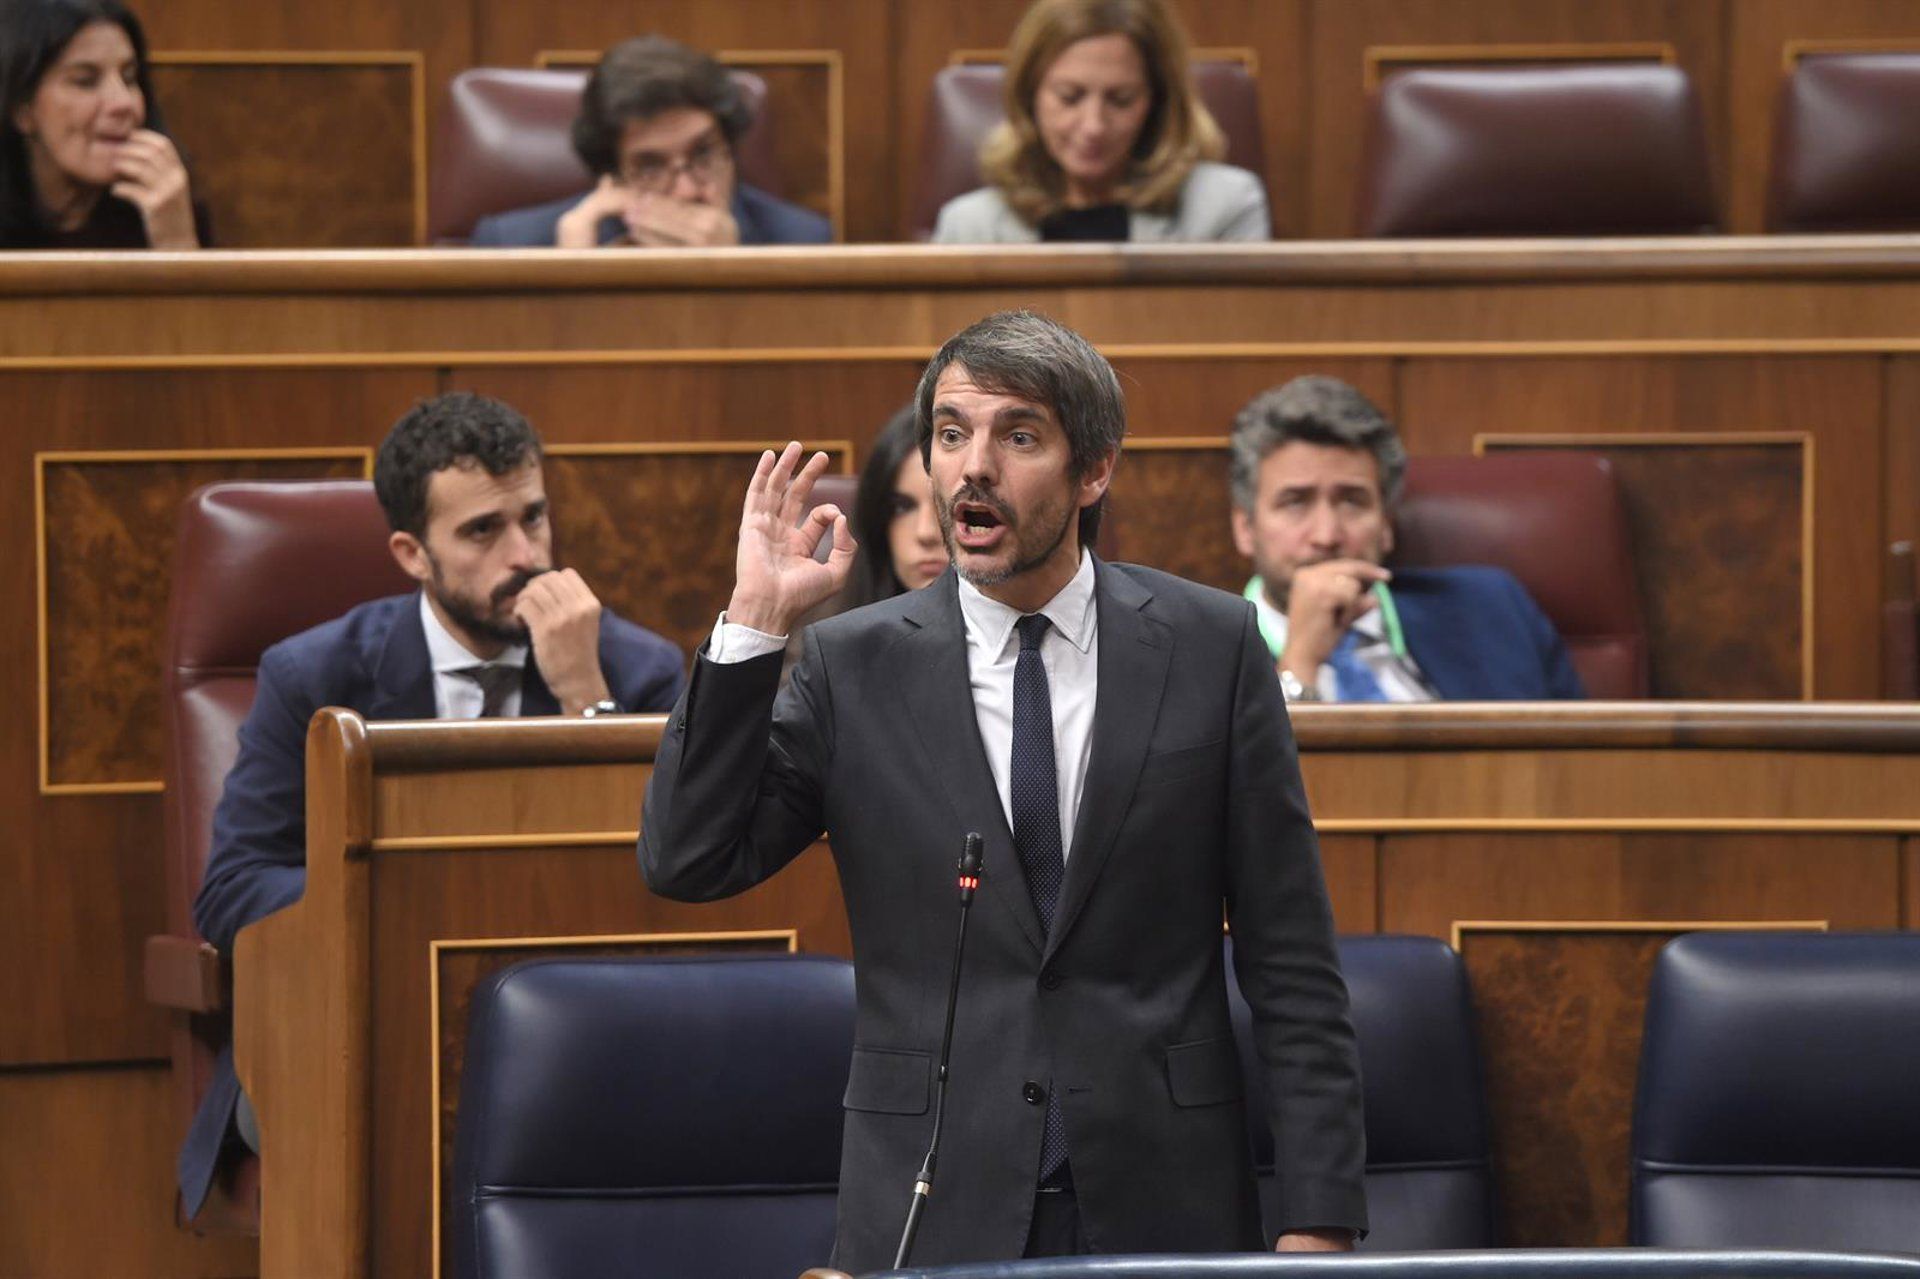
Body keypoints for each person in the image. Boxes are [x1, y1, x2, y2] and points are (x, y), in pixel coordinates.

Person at [641, 311, 1366, 1270]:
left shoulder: (1210, 646)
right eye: (951, 434)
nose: (973, 467)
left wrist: (1320, 1216)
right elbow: (688, 858)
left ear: (1093, 469)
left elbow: (1292, 957)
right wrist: (754, 624)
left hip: (1166, 1193)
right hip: (934, 1194)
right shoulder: (854, 665)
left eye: (1017, 436)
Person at [181, 392, 685, 1220]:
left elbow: (676, 879)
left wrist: (587, 703)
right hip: (365, 1029)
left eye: (533, 517)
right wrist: (415, 908)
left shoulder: (636, 671)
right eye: (483, 531)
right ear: (412, 553)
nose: (525, 555)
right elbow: (234, 889)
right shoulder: (315, 677)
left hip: (577, 1029)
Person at [1229, 375, 1585, 702]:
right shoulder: (1210, 651)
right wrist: (1300, 663)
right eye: (1295, 503)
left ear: (1386, 525)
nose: (1327, 535)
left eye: (1353, 501)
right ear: (1246, 528)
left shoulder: (1493, 608)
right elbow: (1256, 753)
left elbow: (1584, 748)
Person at [931, 0, 1267, 244]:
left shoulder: (1225, 208)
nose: (1094, 126)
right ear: (1029, 94)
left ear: (1158, 101)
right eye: (1070, 97)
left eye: (1121, 100)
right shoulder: (969, 227)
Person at [470, 35, 831, 248]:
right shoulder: (511, 244)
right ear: (613, 177)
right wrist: (573, 278)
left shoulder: (801, 242)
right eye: (650, 167)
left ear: (730, 146)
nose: (687, 190)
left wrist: (735, 272)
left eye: (704, 153)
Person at [0, 0, 207, 249]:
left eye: (129, 78)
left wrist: (175, 239)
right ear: (21, 109)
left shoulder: (167, 204)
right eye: (85, 81)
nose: (124, 103)